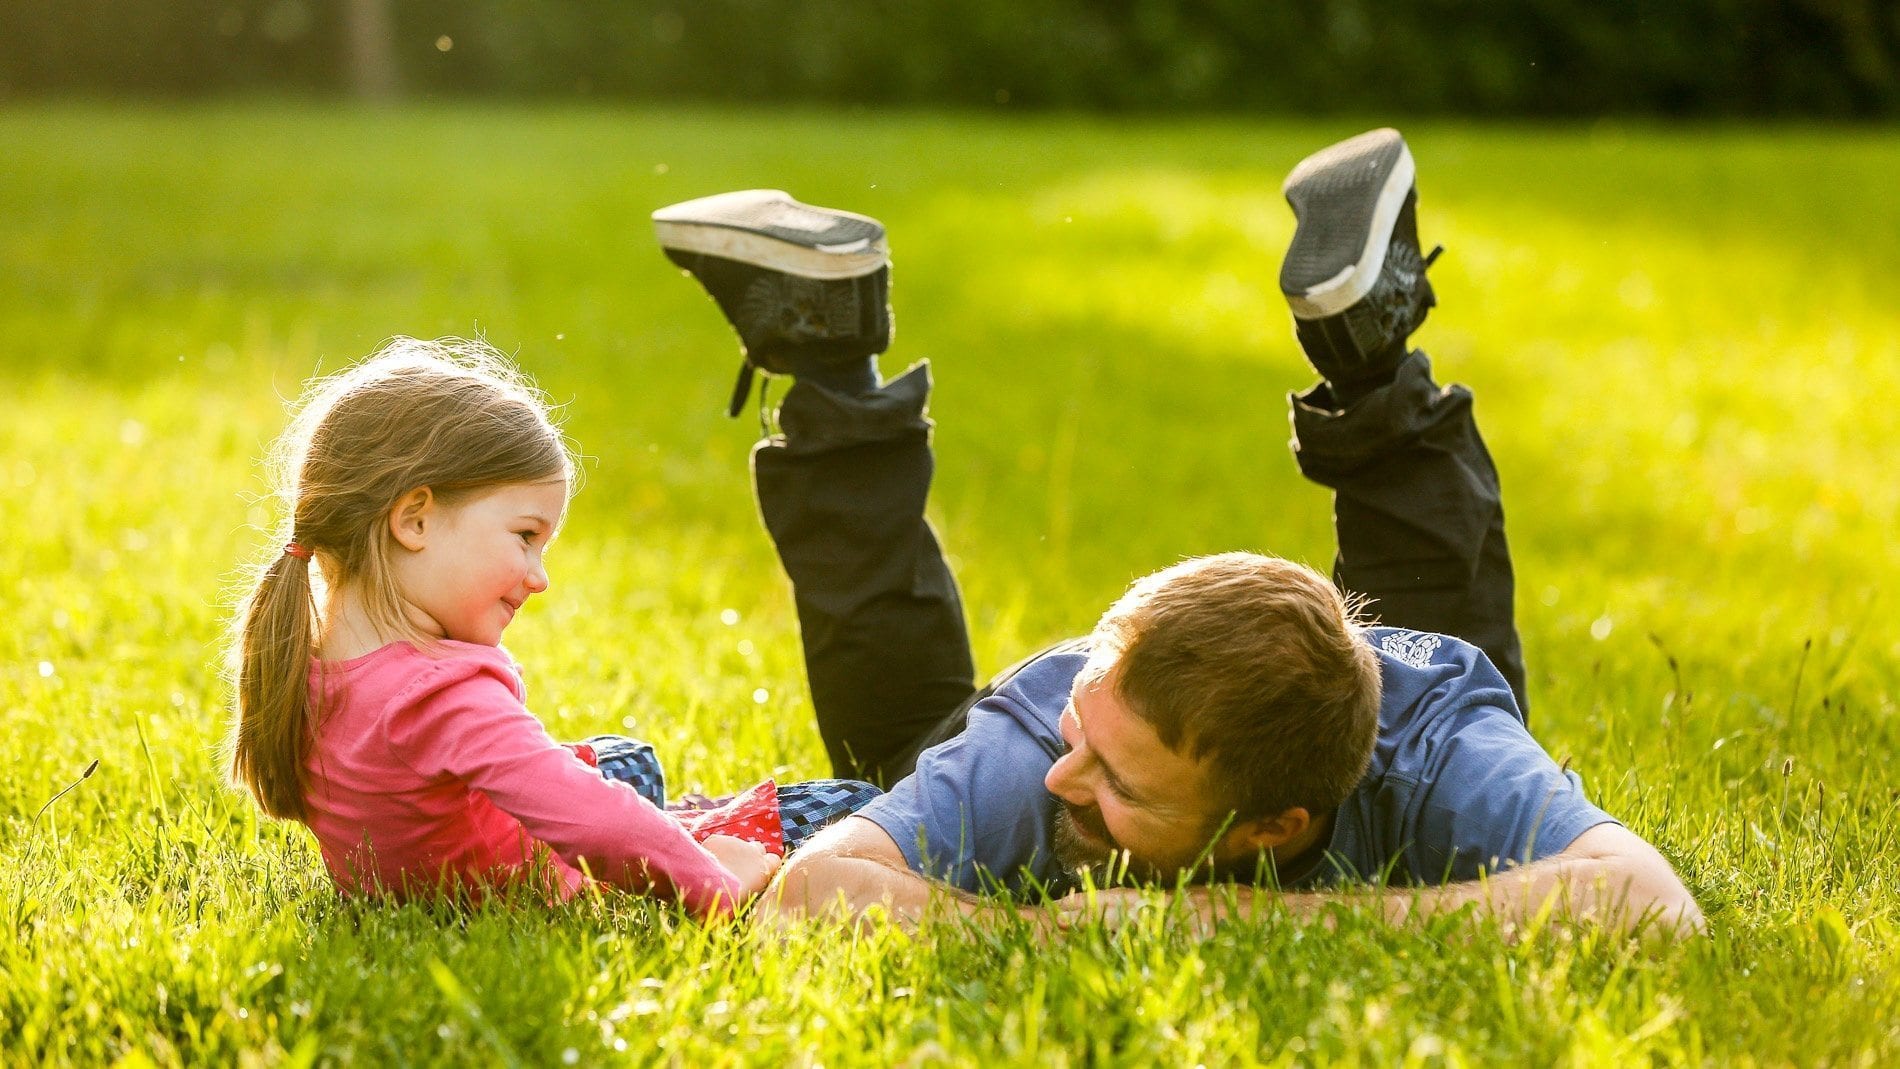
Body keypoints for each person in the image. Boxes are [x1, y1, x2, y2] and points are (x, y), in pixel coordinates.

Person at [652, 128, 1703, 936]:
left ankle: (831, 354)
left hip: (1404, 714)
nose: (1068, 781)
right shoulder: (1041, 740)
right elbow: (812, 893)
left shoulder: (1437, 753)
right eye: (1089, 741)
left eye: (1120, 785)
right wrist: (1055, 933)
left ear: (1274, 830)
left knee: (1447, 651)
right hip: (1138, 710)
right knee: (903, 757)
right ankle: (1367, 346)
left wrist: (1234, 920)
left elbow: (1656, 909)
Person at [224, 339, 878, 917]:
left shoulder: (308, 661)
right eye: (525, 536)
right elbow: (594, 824)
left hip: (448, 873)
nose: (539, 578)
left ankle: (673, 817)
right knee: (849, 803)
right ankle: (702, 832)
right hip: (537, 878)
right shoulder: (438, 693)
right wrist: (717, 881)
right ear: (414, 520)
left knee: (626, 759)